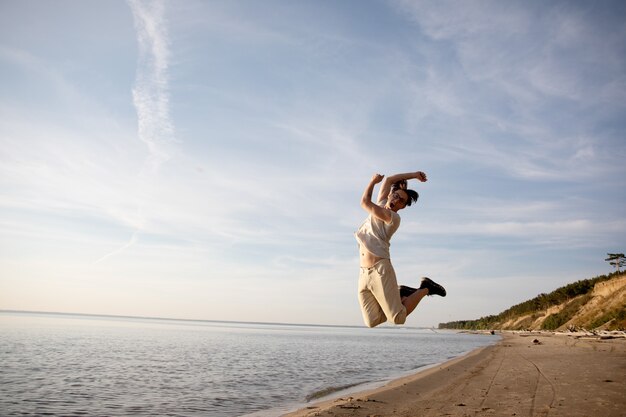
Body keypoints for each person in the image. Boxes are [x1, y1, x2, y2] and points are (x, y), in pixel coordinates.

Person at [355, 171, 446, 328]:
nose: (396, 200)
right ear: (391, 194)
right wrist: (414, 175)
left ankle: (425, 288)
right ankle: (400, 294)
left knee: (398, 318)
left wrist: (372, 182)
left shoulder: (392, 217)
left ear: (403, 206)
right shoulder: (382, 202)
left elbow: (364, 202)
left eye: (401, 201)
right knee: (371, 321)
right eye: (396, 196)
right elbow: (390, 180)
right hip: (363, 273)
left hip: (380, 270)